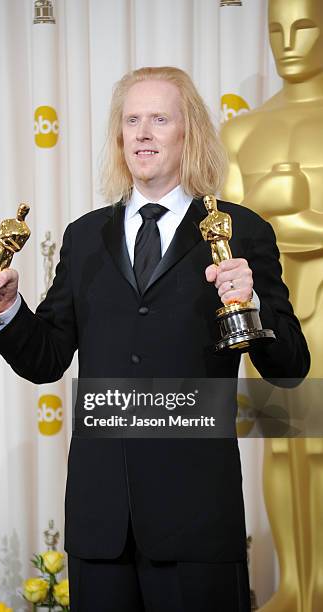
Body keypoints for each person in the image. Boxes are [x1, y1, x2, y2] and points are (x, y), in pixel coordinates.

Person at [0, 66, 310, 612]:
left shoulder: (241, 230)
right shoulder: (84, 237)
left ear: (189, 133)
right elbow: (47, 359)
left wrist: (252, 305)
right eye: (132, 120)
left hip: (197, 523)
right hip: (101, 524)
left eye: (159, 118)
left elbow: (290, 367)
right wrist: (10, 310)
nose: (143, 132)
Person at [220, 0, 323, 609]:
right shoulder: (241, 132)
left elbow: (262, 229)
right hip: (273, 307)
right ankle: (293, 585)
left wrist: (285, 221)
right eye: (276, 28)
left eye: (305, 25)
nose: (289, 42)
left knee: (320, 445)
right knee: (282, 444)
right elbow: (231, 232)